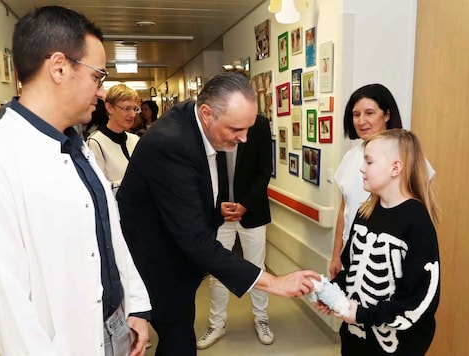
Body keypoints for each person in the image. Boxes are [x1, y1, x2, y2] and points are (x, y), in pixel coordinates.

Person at [0, 6, 151, 355]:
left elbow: (108, 232)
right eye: (97, 76)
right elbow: (6, 304)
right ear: (58, 67)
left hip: (115, 325)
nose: (101, 92)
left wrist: (135, 305)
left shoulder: (75, 145)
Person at [117, 71, 320, 355]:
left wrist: (213, 209)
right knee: (180, 346)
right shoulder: (171, 144)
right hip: (157, 270)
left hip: (176, 268)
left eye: (248, 128)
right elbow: (196, 242)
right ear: (207, 113)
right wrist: (274, 282)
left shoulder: (192, 123)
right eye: (236, 129)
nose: (244, 139)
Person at [317, 129, 441, 355]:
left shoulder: (417, 222)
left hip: (397, 345)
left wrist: (363, 314)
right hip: (356, 338)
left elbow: (417, 298)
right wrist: (333, 292)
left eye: (369, 161)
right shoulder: (366, 211)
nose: (362, 168)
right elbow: (351, 269)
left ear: (395, 168)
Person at [330, 84, 435, 280]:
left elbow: (422, 208)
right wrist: (337, 254)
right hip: (353, 253)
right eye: (356, 114)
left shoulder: (407, 155)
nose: (361, 121)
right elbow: (344, 209)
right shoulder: (350, 158)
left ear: (386, 115)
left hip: (392, 258)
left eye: (369, 113)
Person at [196, 101, 274, 348]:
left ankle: (261, 319)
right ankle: (216, 324)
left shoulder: (260, 125)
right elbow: (203, 172)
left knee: (256, 267)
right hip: (220, 213)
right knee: (218, 270)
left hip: (252, 213)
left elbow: (264, 171)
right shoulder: (212, 125)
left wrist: (245, 204)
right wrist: (217, 205)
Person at [87, 83, 141, 194]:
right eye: (126, 108)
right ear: (110, 108)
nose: (132, 115)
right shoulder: (95, 142)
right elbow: (98, 188)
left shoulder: (135, 140)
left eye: (135, 109)